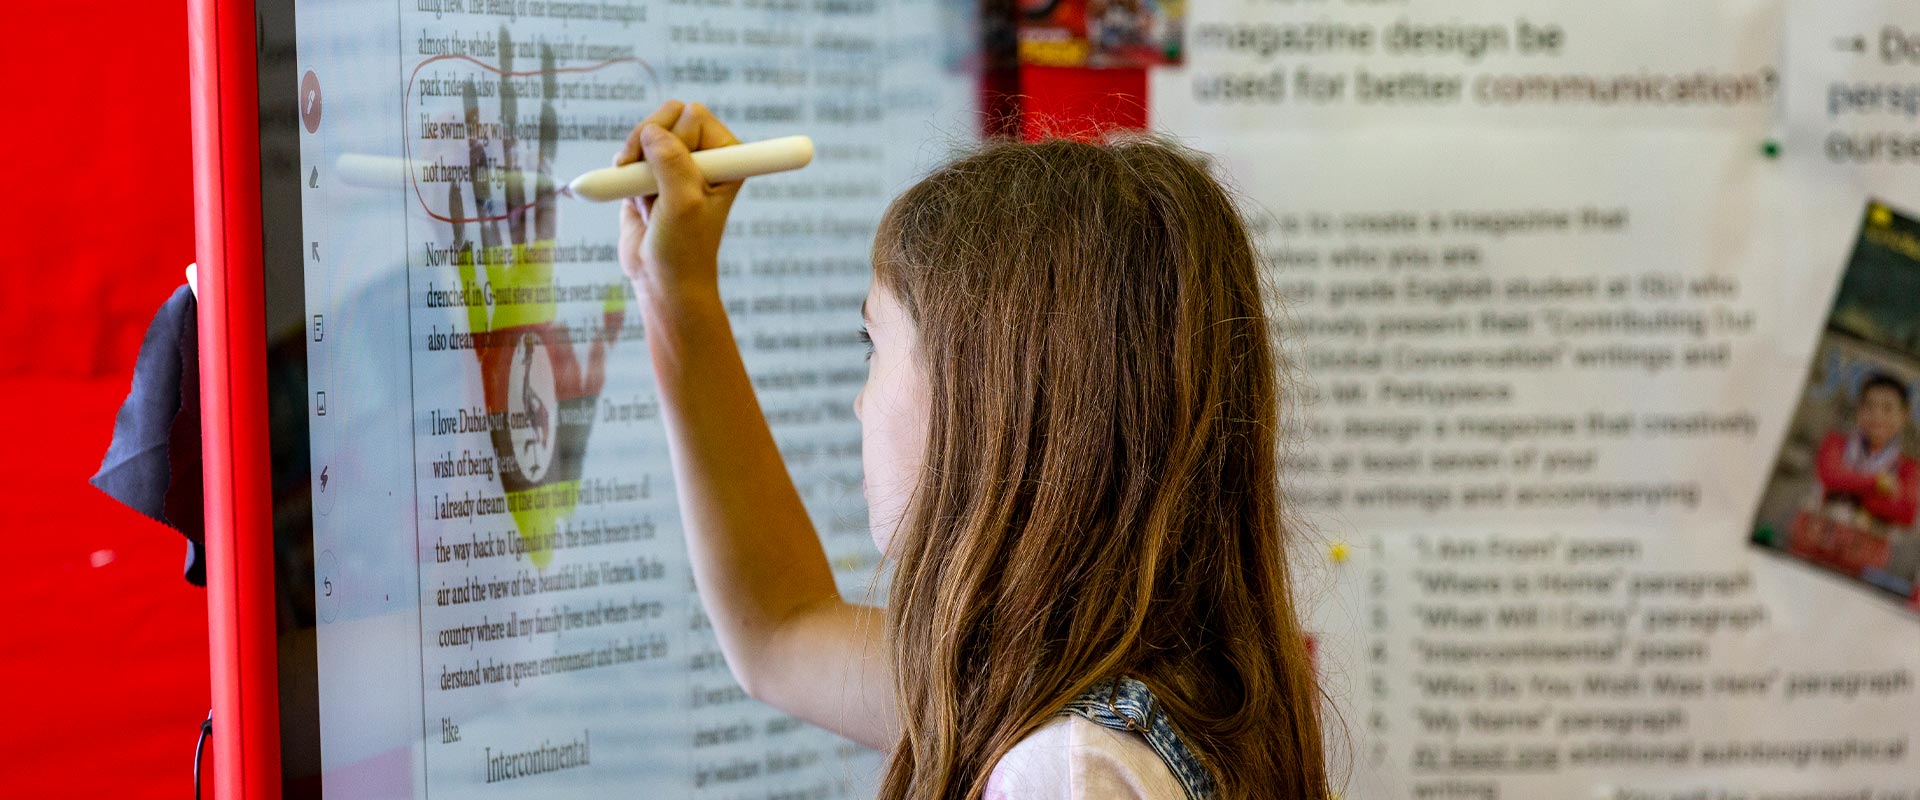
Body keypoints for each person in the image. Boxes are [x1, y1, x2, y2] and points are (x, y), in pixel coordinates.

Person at [614, 99, 1329, 799]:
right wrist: (673, 287)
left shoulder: (1070, 769)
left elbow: (781, 631)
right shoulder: (1149, 683)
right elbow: (780, 629)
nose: (860, 402)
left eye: (873, 344)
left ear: (987, 397)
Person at [1815, 372, 1919, 528]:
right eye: (1869, 406)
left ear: (1904, 416)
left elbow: (1907, 513)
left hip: (1868, 548)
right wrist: (1879, 483)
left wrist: (1849, 487)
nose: (1877, 415)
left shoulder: (1909, 468)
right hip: (1815, 537)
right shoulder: (1835, 442)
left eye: (1887, 408)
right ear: (1859, 410)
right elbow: (1829, 477)